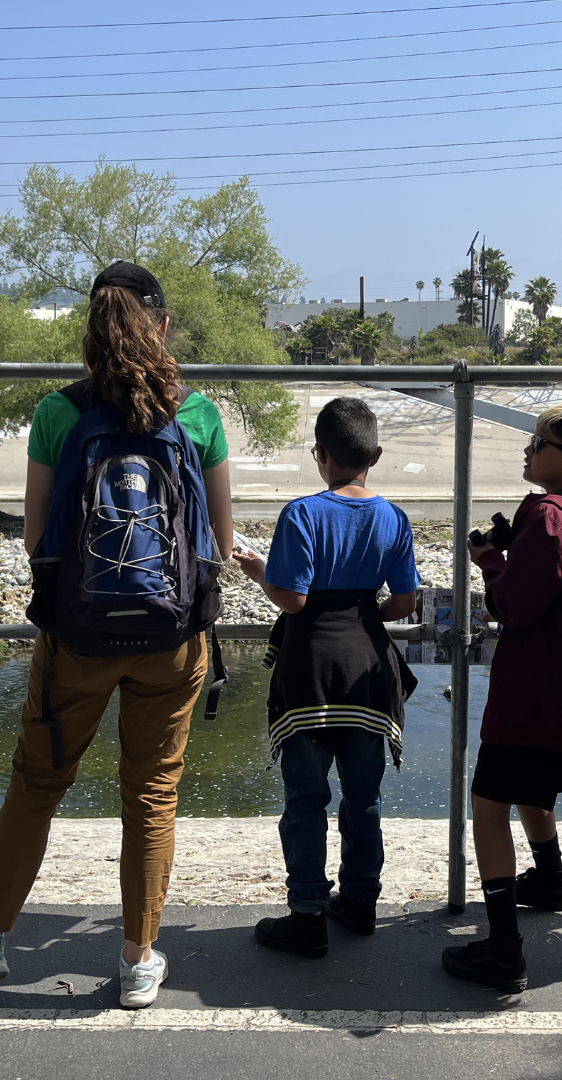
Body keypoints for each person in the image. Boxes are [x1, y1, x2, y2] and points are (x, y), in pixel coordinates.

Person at [0, 261, 233, 1006]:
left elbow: (39, 538)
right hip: (172, 638)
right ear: (161, 326)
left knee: (36, 786)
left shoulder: (57, 412)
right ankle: (137, 961)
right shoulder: (197, 414)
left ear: (90, 330)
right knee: (152, 793)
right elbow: (218, 544)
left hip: (78, 636)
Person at [235, 397, 419, 960]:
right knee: (363, 801)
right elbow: (405, 601)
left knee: (306, 800)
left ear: (320, 454)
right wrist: (364, 612)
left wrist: (260, 573)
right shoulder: (393, 517)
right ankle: (361, 903)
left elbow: (293, 599)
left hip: (310, 669)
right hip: (369, 673)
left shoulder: (303, 513)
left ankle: (308, 914)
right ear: (376, 455)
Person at [441, 403, 562, 994]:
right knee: (532, 792)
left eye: (541, 443)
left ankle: (504, 950)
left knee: (488, 804)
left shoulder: (545, 513)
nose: (529, 449)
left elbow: (515, 605)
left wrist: (489, 559)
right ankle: (549, 878)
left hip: (533, 687)